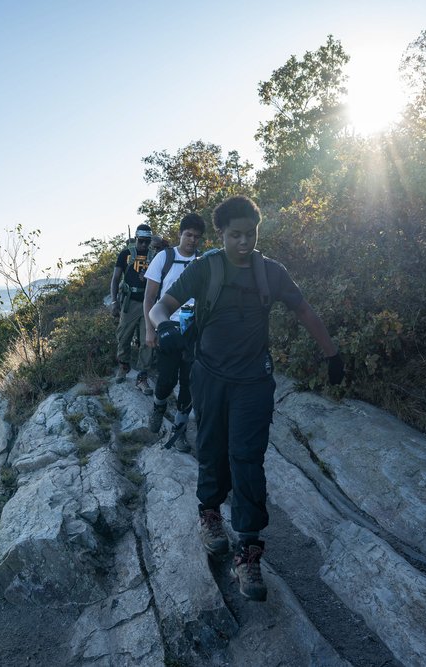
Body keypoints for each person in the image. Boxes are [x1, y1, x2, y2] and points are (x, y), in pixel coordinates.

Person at [148, 195, 344, 602]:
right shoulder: (206, 268)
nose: (244, 242)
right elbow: (161, 306)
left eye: (250, 234)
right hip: (210, 377)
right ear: (221, 234)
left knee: (248, 457)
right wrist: (163, 328)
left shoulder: (270, 272)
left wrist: (332, 354)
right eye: (235, 234)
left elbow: (304, 310)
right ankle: (210, 513)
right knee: (213, 448)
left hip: (254, 381)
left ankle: (249, 550)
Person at [143, 213, 205, 446]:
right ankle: (159, 406)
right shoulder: (164, 257)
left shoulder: (202, 261)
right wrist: (151, 330)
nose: (192, 240)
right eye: (188, 235)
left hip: (194, 329)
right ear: (180, 234)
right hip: (167, 327)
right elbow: (150, 298)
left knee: (190, 382)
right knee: (167, 380)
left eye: (197, 237)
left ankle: (178, 430)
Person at [110, 224, 155, 394]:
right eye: (141, 241)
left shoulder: (154, 256)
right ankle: (123, 365)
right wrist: (114, 302)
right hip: (130, 301)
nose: (144, 245)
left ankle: (142, 376)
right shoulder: (126, 254)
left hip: (148, 302)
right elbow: (115, 278)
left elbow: (160, 279)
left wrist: (148, 278)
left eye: (147, 241)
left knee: (147, 340)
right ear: (136, 239)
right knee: (123, 335)